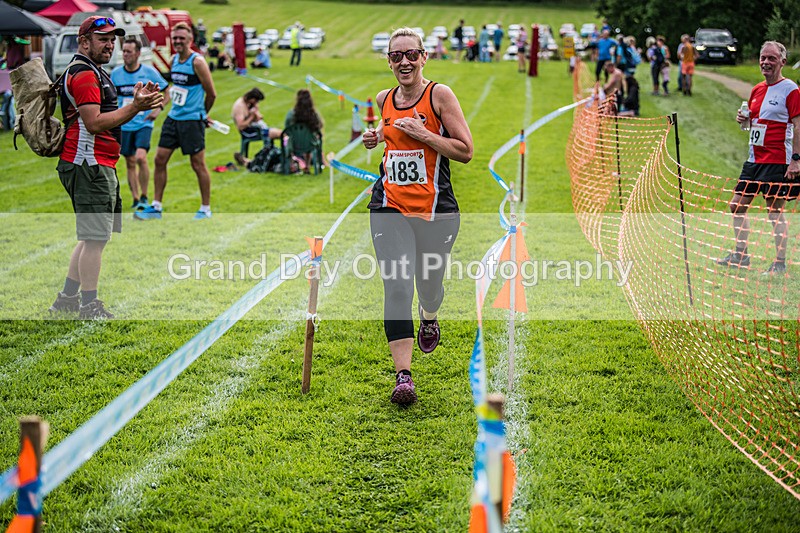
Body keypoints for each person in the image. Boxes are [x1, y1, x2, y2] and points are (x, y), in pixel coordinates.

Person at [362, 28, 473, 405]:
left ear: (424, 57)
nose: (404, 62)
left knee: (429, 286)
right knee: (396, 285)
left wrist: (425, 135)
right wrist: (376, 136)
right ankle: (403, 376)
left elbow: (465, 150)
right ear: (389, 61)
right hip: (388, 205)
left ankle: (429, 314)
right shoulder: (384, 98)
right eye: (396, 56)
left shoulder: (439, 95)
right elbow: (391, 124)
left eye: (411, 54)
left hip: (435, 211)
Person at [49, 16, 163, 319]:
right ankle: (89, 304)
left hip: (94, 163)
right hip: (88, 164)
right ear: (84, 41)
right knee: (96, 238)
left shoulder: (92, 70)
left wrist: (136, 100)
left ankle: (67, 299)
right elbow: (94, 123)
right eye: (103, 39)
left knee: (90, 237)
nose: (110, 45)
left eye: (113, 39)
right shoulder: (85, 73)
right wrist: (135, 107)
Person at [717, 41, 800, 276]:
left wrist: (796, 159)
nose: (765, 62)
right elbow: (754, 122)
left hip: (778, 160)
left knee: (774, 212)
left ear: (782, 62)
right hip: (754, 159)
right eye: (763, 57)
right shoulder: (756, 89)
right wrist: (743, 121)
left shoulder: (790, 89)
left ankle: (780, 262)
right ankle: (741, 255)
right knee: (736, 205)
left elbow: (798, 125)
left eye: (771, 58)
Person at [136, 22, 216, 221]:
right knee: (159, 159)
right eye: (175, 38)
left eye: (182, 38)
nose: (178, 41)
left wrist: (202, 114)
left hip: (192, 121)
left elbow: (211, 93)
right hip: (173, 118)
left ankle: (205, 209)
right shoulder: (174, 60)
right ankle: (156, 206)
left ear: (190, 40)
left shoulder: (197, 62)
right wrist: (159, 108)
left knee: (198, 165)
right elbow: (174, 88)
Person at [111, 37, 169, 211]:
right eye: (124, 51)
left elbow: (167, 92)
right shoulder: (116, 74)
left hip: (143, 123)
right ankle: (136, 199)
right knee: (129, 162)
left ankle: (145, 196)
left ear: (137, 53)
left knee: (141, 158)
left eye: (129, 51)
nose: (126, 54)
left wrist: (158, 109)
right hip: (124, 124)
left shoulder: (149, 73)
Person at [232, 87, 280, 159]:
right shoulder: (240, 106)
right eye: (256, 101)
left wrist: (256, 114)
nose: (257, 103)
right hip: (248, 132)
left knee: (281, 133)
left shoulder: (251, 103)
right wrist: (251, 117)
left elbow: (259, 118)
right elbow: (240, 126)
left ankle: (275, 153)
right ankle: (268, 155)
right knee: (277, 133)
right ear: (251, 98)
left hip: (258, 128)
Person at [284, 88, 323, 171]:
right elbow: (319, 126)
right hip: (310, 144)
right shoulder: (313, 114)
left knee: (287, 139)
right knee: (314, 138)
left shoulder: (291, 114)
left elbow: (286, 129)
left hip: (293, 144)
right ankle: (307, 166)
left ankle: (291, 164)